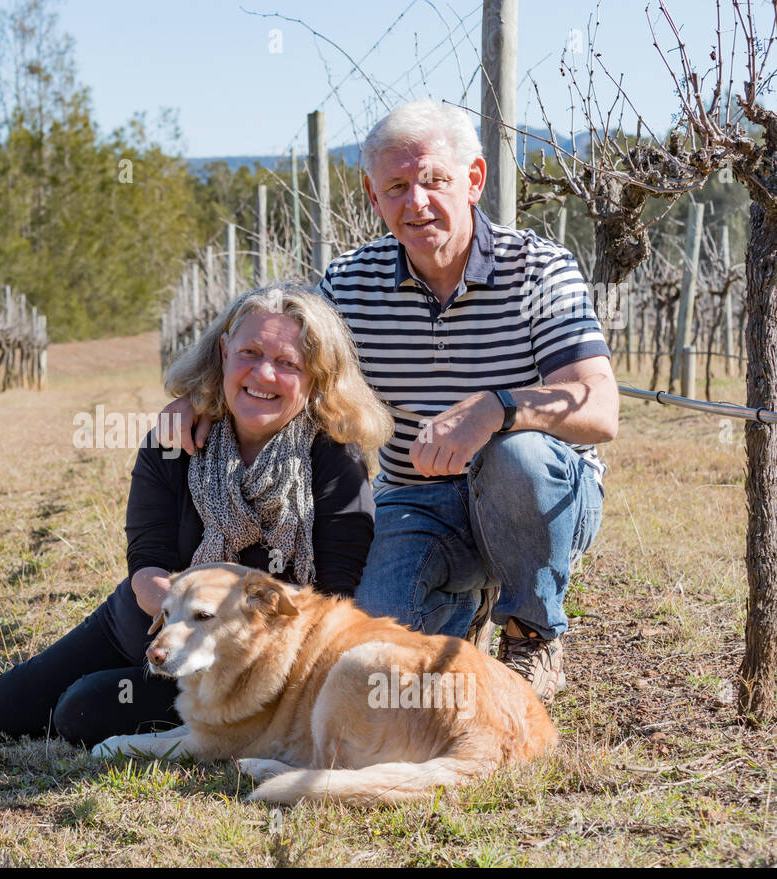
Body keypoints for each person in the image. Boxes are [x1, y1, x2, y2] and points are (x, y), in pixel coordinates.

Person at [160, 100, 619, 706]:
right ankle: (464, 603)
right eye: (396, 187)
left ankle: (531, 632)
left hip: (535, 499)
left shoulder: (539, 270)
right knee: (372, 664)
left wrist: (495, 408)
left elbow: (599, 409)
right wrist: (205, 397)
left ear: (473, 180)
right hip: (416, 503)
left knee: (520, 458)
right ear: (374, 199)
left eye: (434, 180)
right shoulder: (349, 283)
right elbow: (278, 345)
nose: (416, 202)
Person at [0, 283, 392, 747]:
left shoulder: (335, 459)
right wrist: (179, 628)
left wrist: (219, 637)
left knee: (82, 711)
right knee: (2, 711)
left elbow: (332, 598)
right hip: (143, 624)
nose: (264, 373)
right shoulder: (175, 440)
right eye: (249, 352)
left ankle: (210, 727)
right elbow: (147, 565)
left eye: (288, 363)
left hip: (248, 663)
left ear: (316, 376)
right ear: (223, 351)